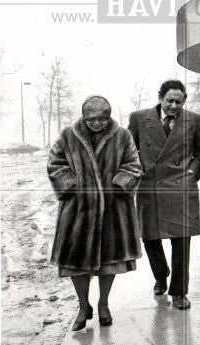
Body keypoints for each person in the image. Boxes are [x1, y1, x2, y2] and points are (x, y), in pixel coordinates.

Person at [47, 95, 142, 331]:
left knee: (109, 262)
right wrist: (70, 186)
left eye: (102, 118)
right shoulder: (68, 135)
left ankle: (103, 304)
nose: (97, 123)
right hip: (78, 210)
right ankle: (82, 306)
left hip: (113, 209)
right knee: (75, 263)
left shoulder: (122, 136)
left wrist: (120, 184)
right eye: (92, 119)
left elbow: (133, 164)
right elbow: (55, 163)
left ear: (109, 116)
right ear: (83, 115)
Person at [127, 79, 200, 310]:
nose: (173, 106)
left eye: (178, 102)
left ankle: (180, 292)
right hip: (149, 185)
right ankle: (161, 275)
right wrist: (137, 171)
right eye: (169, 100)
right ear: (160, 97)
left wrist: (192, 173)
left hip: (180, 185)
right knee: (150, 237)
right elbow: (130, 150)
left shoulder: (195, 120)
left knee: (181, 240)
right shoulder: (139, 118)